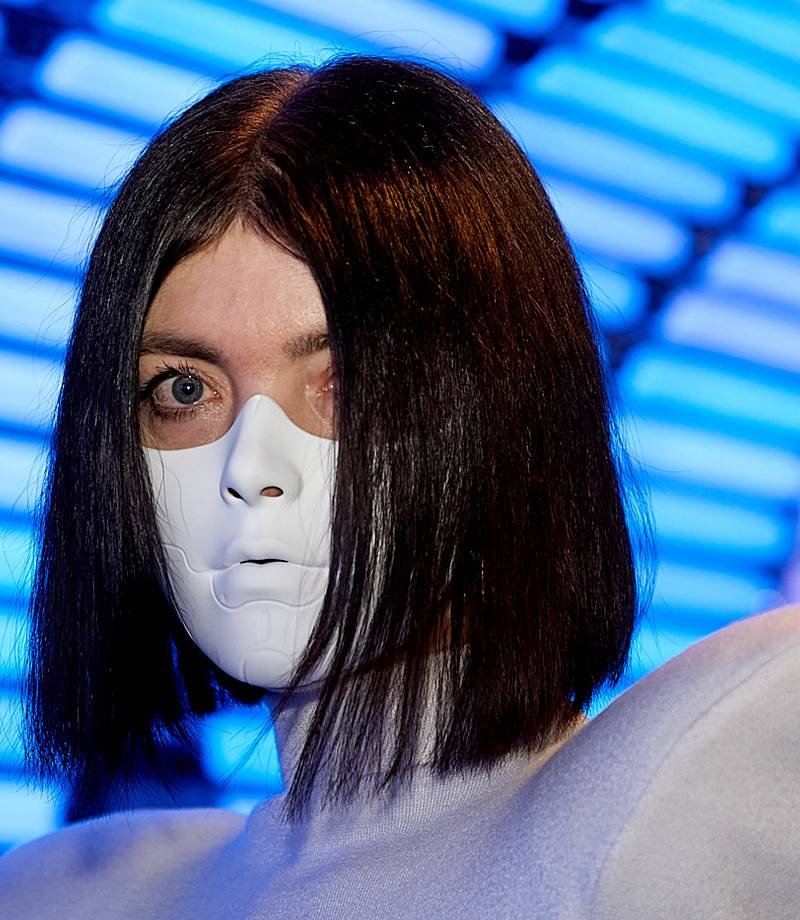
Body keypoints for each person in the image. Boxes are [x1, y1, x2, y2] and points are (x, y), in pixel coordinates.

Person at [1, 54, 798, 919]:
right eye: (185, 389)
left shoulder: (692, 778)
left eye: (346, 379)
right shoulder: (65, 892)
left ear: (505, 404)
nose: (249, 470)